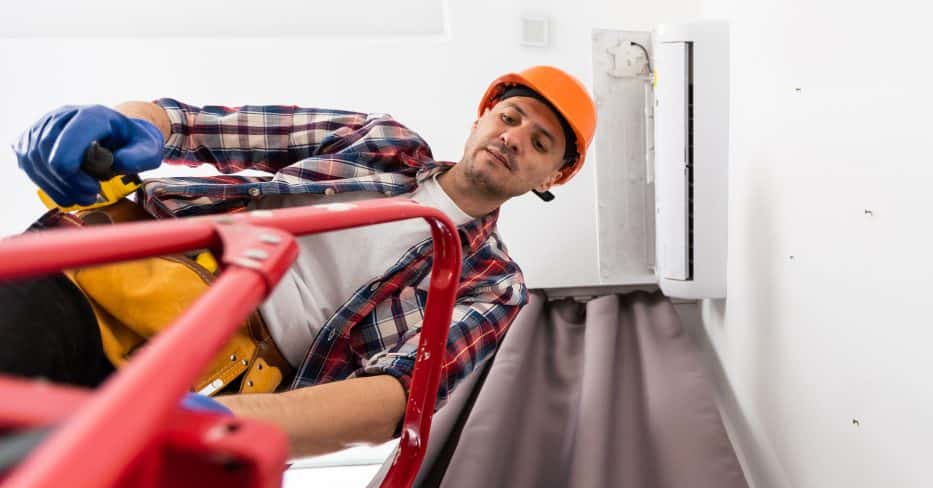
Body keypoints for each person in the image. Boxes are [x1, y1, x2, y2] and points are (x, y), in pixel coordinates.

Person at [4, 66, 597, 456]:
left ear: (550, 178)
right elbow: (192, 125)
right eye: (510, 117)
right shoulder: (380, 141)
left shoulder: (492, 284)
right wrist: (128, 125)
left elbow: (395, 397)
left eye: (540, 143)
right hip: (112, 276)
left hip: (219, 380)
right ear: (480, 120)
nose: (514, 137)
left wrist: (228, 422)